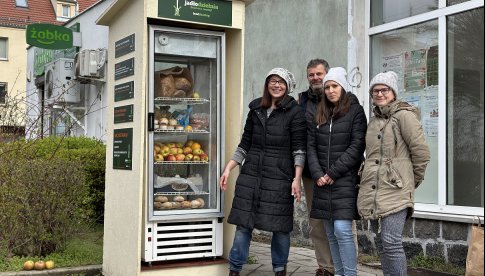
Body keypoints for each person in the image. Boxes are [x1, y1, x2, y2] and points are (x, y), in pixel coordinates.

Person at [220, 68, 306, 276]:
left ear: (288, 86)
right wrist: (228, 168)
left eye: (281, 82)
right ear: (267, 84)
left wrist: (297, 179)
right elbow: (244, 145)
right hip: (251, 176)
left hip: (280, 176)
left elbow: (299, 149)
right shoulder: (256, 109)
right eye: (273, 81)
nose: (277, 85)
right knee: (243, 224)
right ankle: (235, 269)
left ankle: (279, 270)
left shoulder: (295, 113)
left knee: (280, 226)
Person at [357, 71, 430, 275]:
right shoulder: (374, 121)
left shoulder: (405, 116)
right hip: (376, 190)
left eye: (384, 89)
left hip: (396, 190)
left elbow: (421, 154)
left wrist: (409, 181)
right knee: (383, 243)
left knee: (391, 241)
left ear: (393, 92)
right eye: (375, 91)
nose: (379, 94)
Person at [307, 67, 367, 276]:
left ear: (343, 87)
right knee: (330, 232)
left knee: (342, 230)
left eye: (335, 86)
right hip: (322, 181)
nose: (331, 91)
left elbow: (357, 146)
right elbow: (311, 147)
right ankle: (339, 273)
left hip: (344, 180)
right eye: (328, 87)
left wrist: (332, 173)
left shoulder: (355, 111)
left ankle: (350, 274)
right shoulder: (321, 112)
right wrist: (317, 173)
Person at [297, 58, 336, 276]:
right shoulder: (302, 101)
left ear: (327, 74)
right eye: (311, 75)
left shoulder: (339, 97)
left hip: (336, 171)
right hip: (311, 172)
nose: (315, 78)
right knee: (316, 221)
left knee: (340, 222)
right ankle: (326, 267)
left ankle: (344, 266)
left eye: (319, 74)